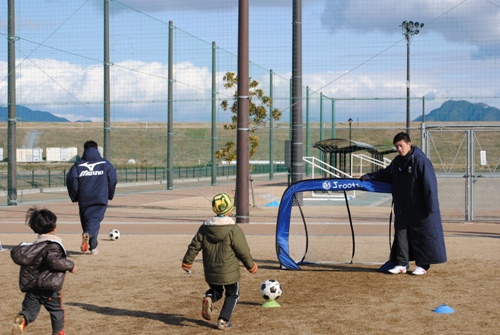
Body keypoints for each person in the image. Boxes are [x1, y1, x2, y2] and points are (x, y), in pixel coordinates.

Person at [361, 132, 447, 275]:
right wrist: (369, 176)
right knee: (401, 234)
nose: (399, 149)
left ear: (409, 144)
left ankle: (423, 265)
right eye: (397, 147)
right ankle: (401, 264)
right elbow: (386, 174)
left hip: (420, 208)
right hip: (402, 207)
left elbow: (430, 185)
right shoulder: (397, 162)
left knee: (421, 235)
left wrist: (431, 206)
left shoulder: (421, 161)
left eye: (401, 146)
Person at [182, 193, 258, 330]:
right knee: (233, 294)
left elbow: (194, 245)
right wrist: (251, 266)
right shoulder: (234, 229)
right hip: (229, 271)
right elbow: (243, 251)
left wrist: (187, 262)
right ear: (229, 209)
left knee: (216, 290)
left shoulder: (205, 228)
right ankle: (223, 320)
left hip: (211, 269)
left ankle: (209, 297)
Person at [10, 207, 78, 335]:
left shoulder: (32, 247)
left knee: (29, 312)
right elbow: (54, 261)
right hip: (49, 289)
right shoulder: (52, 245)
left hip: (32, 289)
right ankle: (58, 332)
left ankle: (21, 320)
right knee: (57, 311)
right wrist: (70, 265)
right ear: (54, 227)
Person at [66, 140, 117, 255]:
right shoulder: (105, 164)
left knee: (87, 220)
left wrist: (74, 196)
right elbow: (113, 180)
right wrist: (110, 194)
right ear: (97, 149)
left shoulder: (78, 165)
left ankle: (92, 244)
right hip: (100, 197)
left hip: (84, 198)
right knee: (94, 220)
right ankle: (90, 237)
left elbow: (71, 180)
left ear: (85, 150)